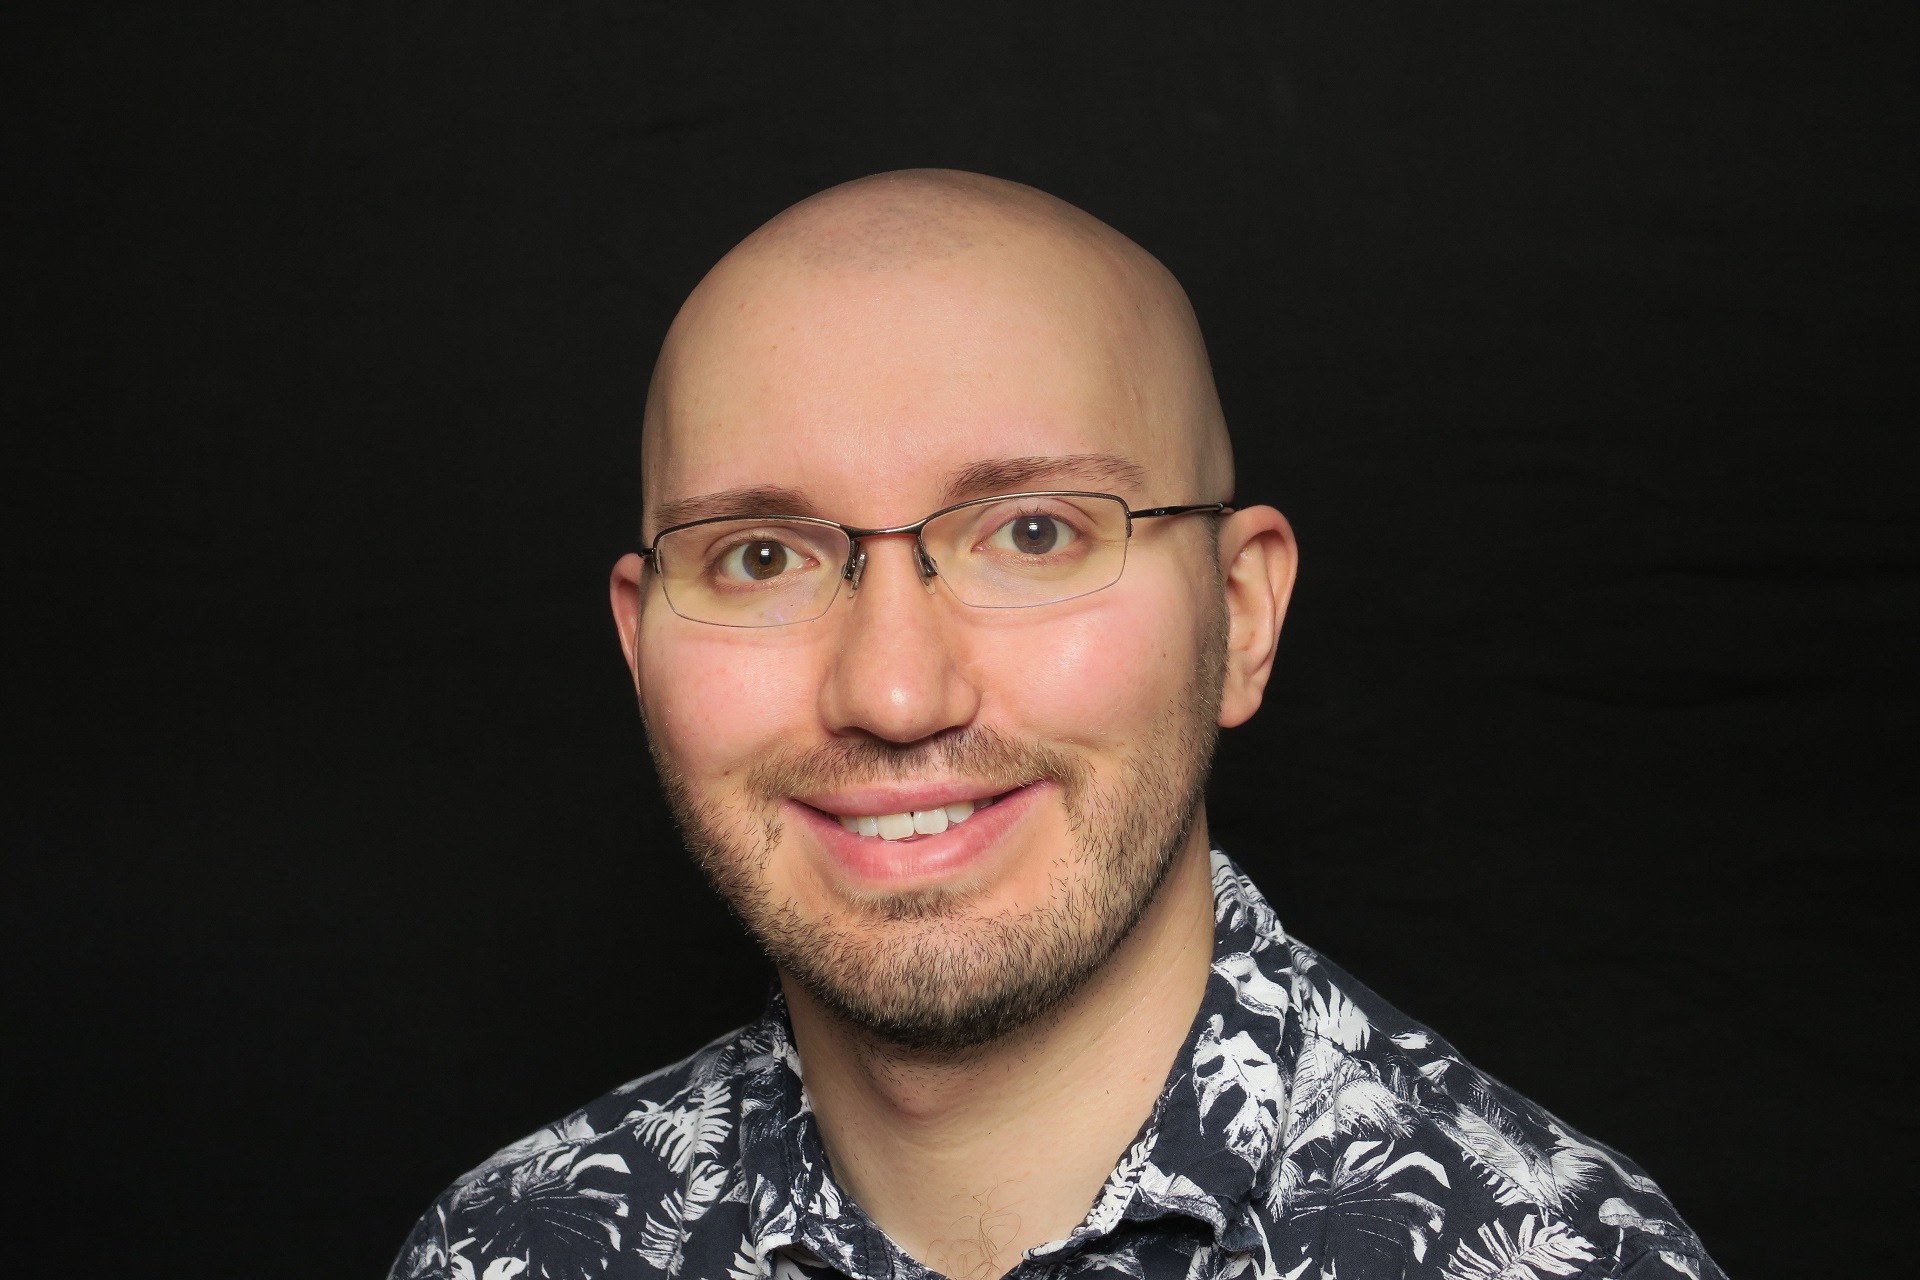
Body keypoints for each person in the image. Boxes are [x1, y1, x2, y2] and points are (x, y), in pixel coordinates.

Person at [390, 170, 1722, 1280]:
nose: (896, 696)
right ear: (640, 648)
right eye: (759, 558)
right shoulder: (502, 1252)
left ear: (1241, 617)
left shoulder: (1563, 1257)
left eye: (1034, 534)